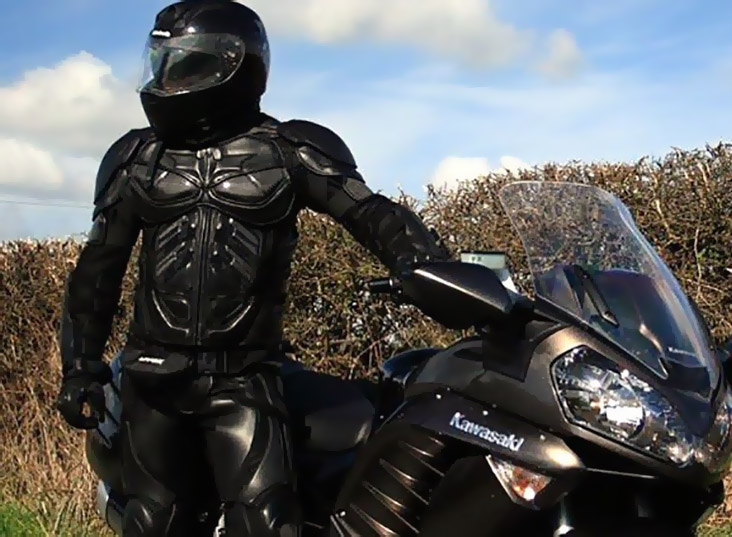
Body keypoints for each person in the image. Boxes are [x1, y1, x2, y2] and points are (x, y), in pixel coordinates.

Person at [54, 1, 448, 535]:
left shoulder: (289, 151)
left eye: (186, 63)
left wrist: (423, 265)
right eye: (163, 61)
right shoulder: (136, 159)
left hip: (242, 380)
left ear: (236, 64)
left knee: (266, 521)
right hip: (152, 379)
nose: (167, 79)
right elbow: (97, 273)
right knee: (153, 522)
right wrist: (80, 366)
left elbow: (374, 215)